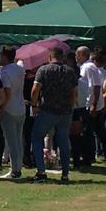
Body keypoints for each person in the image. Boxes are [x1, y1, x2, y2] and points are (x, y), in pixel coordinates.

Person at [30, 47, 78, 182]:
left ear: (50, 57)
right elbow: (74, 93)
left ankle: (41, 171)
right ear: (62, 57)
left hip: (48, 110)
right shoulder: (70, 71)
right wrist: (70, 107)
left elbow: (35, 89)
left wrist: (34, 105)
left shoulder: (44, 70)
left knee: (37, 138)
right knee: (63, 141)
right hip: (65, 111)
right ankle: (65, 173)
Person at [0, 47, 28, 178]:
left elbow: (7, 92)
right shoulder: (20, 69)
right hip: (20, 107)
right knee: (18, 140)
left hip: (9, 108)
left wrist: (1, 107)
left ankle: (15, 170)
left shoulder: (5, 72)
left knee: (11, 141)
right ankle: (17, 166)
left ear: (5, 57)